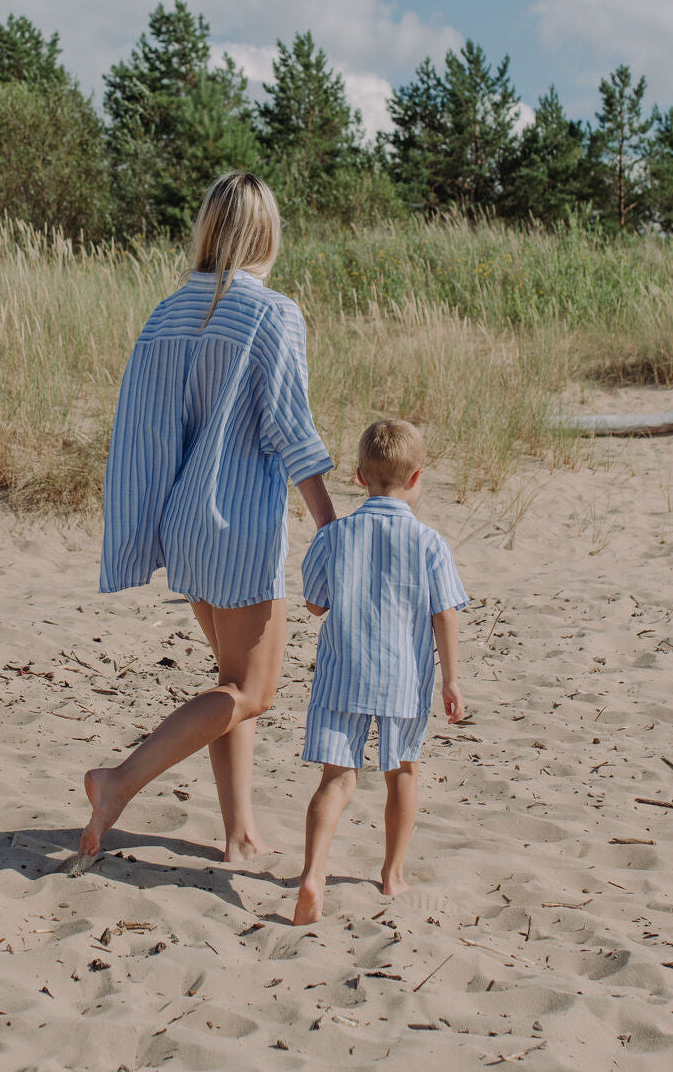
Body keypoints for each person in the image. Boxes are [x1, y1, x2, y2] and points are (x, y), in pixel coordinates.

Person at [80, 172, 336, 864]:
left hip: (184, 522)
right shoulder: (272, 313)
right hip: (240, 525)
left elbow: (142, 431)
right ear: (267, 233)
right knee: (251, 691)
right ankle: (119, 781)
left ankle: (239, 829)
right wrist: (331, 526)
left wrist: (144, 528)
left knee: (231, 681)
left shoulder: (165, 314)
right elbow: (291, 428)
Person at [292, 418, 467, 925]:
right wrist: (451, 679)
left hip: (343, 674)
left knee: (336, 779)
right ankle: (392, 874)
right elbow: (445, 614)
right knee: (402, 773)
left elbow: (314, 605)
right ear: (417, 478)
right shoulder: (430, 543)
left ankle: (313, 873)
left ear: (359, 475)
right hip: (403, 679)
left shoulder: (334, 538)